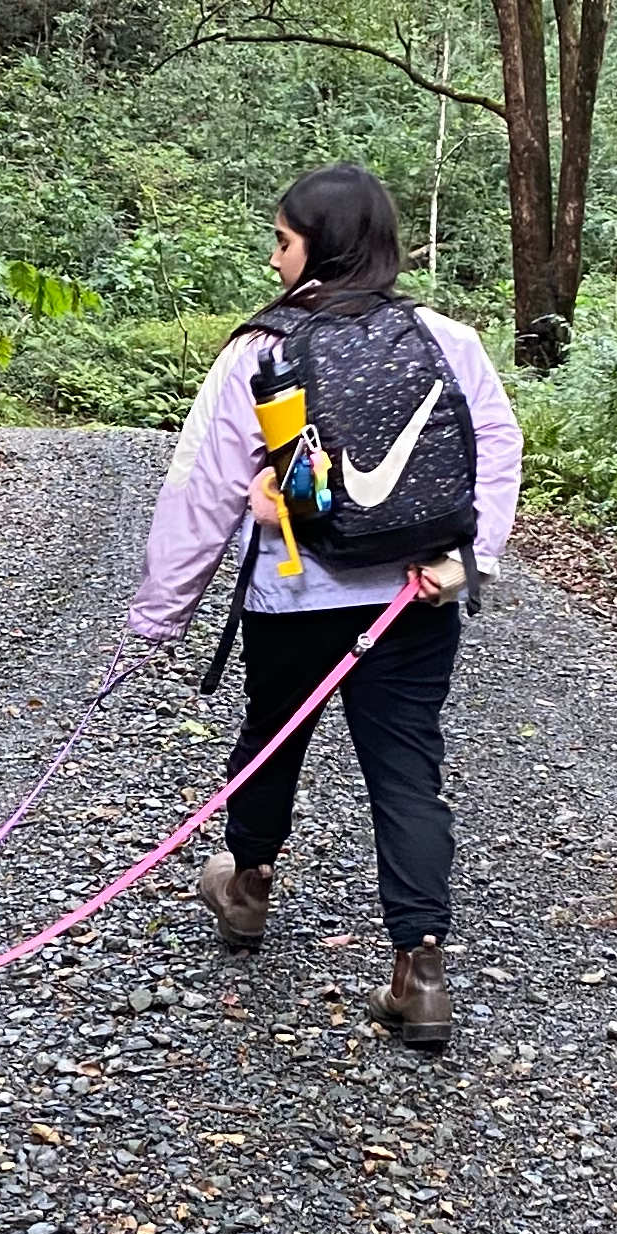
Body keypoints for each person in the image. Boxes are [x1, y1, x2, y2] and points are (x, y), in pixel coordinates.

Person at [129, 163, 522, 1051]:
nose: (274, 261)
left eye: (283, 240)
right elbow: (495, 444)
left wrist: (158, 618)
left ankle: (247, 889)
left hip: (293, 595)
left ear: (321, 244)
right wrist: (468, 559)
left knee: (272, 737)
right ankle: (419, 969)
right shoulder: (445, 338)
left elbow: (201, 492)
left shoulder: (257, 352)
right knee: (407, 770)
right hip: (411, 597)